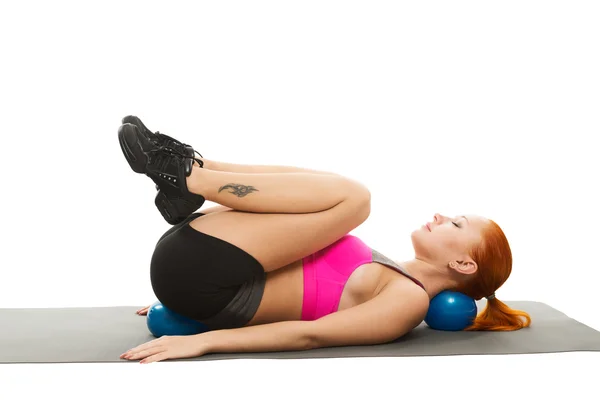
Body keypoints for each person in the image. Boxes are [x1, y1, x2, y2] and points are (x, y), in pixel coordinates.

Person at [117, 116, 531, 364]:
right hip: (203, 269)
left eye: (455, 225)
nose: (441, 216)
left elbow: (309, 335)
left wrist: (204, 341)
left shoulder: (408, 302)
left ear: (464, 265)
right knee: (318, 188)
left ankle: (186, 177)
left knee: (355, 199)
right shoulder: (386, 267)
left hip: (202, 279)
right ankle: (191, 167)